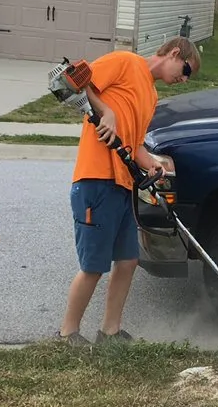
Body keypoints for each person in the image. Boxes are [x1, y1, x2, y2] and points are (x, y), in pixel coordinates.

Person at [56, 37, 201, 346]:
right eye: (186, 69)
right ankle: (67, 333)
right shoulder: (125, 62)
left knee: (128, 260)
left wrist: (151, 164)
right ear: (176, 53)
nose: (185, 79)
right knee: (94, 266)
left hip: (123, 184)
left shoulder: (150, 95)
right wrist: (106, 112)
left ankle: (110, 332)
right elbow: (76, 82)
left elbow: (132, 145)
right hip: (96, 179)